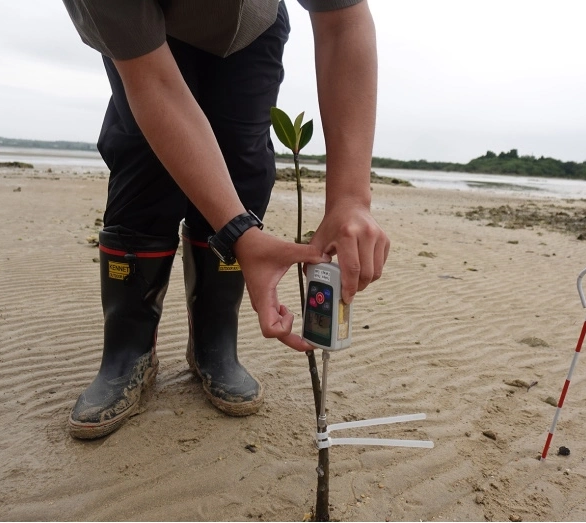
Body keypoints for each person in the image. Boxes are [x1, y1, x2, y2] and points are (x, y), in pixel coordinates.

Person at [60, 0, 388, 439]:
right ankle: (127, 353)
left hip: (250, 33)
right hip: (144, 42)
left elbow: (343, 19)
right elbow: (151, 81)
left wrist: (351, 198)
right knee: (142, 170)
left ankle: (214, 346)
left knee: (242, 164)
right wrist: (239, 234)